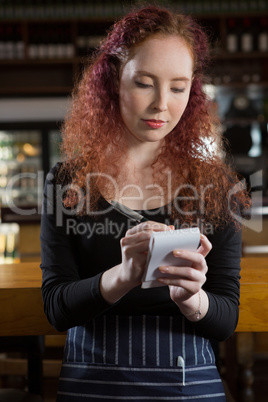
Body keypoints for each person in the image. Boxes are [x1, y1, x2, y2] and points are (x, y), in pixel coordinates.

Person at [40, 4, 250, 401]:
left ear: (192, 91)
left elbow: (225, 319)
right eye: (144, 83)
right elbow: (56, 308)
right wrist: (124, 275)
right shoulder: (67, 181)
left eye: (178, 87)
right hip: (92, 387)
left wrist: (193, 299)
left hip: (189, 385)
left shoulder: (219, 186)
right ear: (114, 81)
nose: (161, 104)